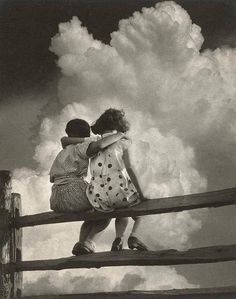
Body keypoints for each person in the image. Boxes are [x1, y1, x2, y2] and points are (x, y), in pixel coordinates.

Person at [62, 109, 148, 252]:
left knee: (119, 208)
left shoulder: (92, 142)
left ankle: (112, 240)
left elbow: (65, 142)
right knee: (138, 210)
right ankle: (130, 237)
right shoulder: (123, 142)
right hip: (120, 192)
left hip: (99, 197)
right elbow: (130, 168)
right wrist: (142, 194)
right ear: (121, 125)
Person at [50, 118, 127, 255]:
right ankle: (90, 242)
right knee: (105, 206)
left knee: (92, 213)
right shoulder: (82, 146)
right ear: (86, 134)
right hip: (72, 191)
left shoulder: (63, 151)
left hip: (56, 197)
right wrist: (119, 135)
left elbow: (64, 141)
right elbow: (98, 146)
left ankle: (81, 244)